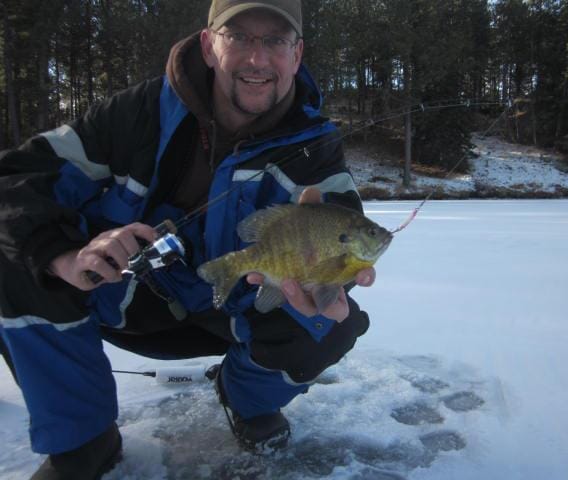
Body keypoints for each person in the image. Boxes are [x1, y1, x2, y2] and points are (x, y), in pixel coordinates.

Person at [0, 0, 376, 478]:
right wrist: (63, 255)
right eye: (239, 36)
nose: (257, 59)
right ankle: (83, 440)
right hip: (115, 294)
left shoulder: (316, 146)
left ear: (297, 55)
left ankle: (246, 400)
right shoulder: (137, 112)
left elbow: (346, 222)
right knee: (13, 255)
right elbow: (16, 179)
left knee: (329, 324)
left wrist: (329, 286)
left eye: (275, 41)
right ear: (209, 44)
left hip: (230, 310)